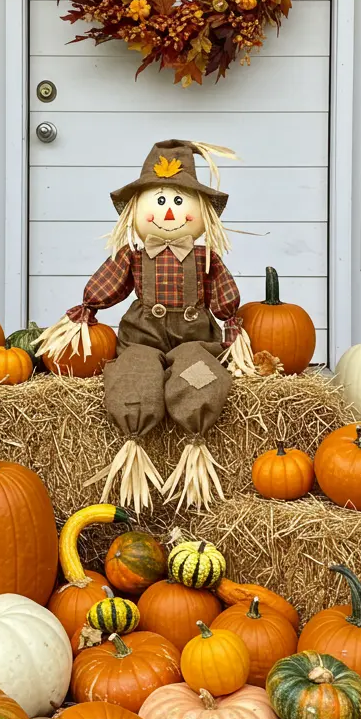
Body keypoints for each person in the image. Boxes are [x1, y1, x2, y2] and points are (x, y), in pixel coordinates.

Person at [37, 139, 254, 511]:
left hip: (195, 340)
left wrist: (233, 331)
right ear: (136, 211)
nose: (169, 212)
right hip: (142, 338)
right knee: (134, 371)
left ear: (203, 213)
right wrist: (86, 312)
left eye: (179, 202)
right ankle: (133, 442)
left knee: (198, 373)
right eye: (159, 202)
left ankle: (196, 441)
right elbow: (106, 288)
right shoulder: (132, 257)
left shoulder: (206, 259)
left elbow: (224, 301)